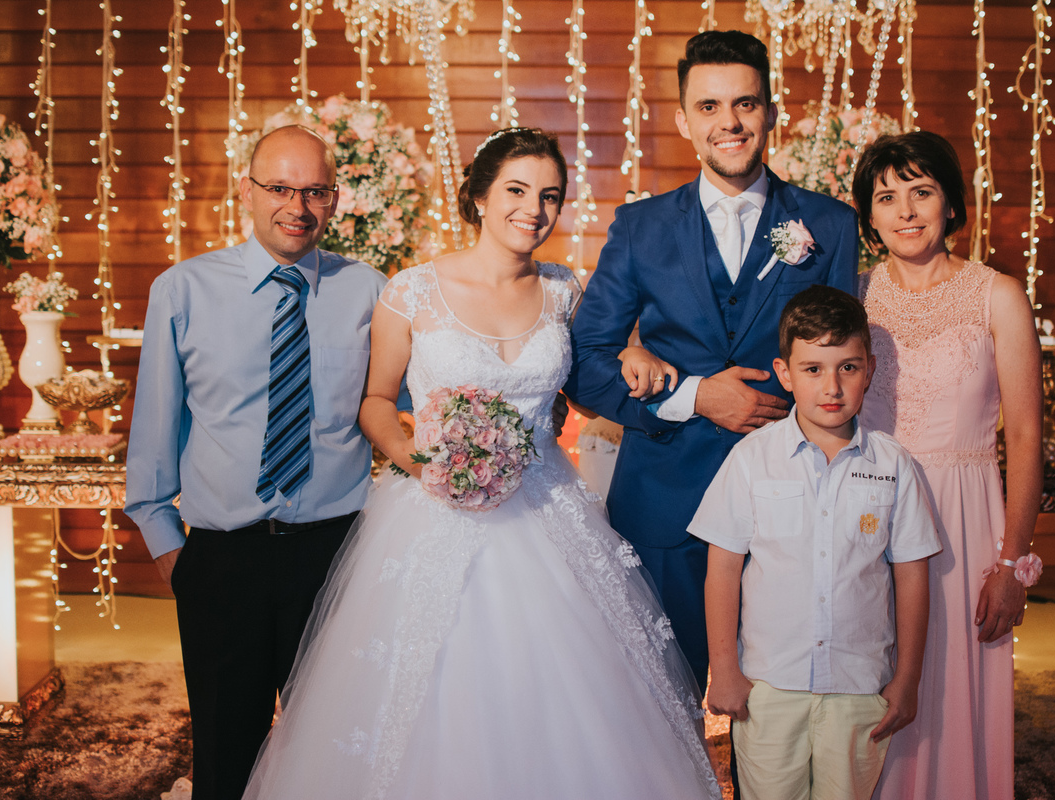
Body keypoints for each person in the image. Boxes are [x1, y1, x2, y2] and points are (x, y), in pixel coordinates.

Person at [241, 127, 721, 800]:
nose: (534, 209)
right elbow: (376, 402)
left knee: (570, 690)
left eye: (549, 196)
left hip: (547, 503)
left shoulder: (565, 290)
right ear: (479, 197)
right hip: (434, 510)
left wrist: (633, 350)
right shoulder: (411, 292)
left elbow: (598, 359)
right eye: (517, 190)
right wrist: (422, 461)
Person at [565, 29, 859, 690]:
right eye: (709, 106)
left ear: (771, 113)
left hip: (789, 505)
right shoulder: (640, 228)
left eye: (745, 104)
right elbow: (584, 361)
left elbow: (844, 365)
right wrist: (695, 395)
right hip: (664, 503)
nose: (729, 122)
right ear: (683, 121)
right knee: (662, 708)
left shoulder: (830, 225)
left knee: (783, 705)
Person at [124, 125, 387, 800]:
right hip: (223, 560)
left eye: (315, 191)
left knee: (335, 758)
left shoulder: (371, 293)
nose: (297, 207)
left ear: (335, 200)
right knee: (224, 758)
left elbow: (408, 407)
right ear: (246, 191)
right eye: (279, 188)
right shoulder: (181, 291)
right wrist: (176, 557)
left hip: (336, 557)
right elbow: (153, 436)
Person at [690, 285, 941, 800]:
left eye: (848, 367)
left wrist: (907, 679)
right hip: (769, 688)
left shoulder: (894, 465)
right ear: (784, 373)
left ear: (869, 370)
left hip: (859, 686)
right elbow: (723, 570)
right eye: (812, 369)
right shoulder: (751, 459)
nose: (832, 386)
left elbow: (912, 576)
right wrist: (726, 671)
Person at [852, 130, 1044, 800]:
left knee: (952, 694)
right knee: (868, 693)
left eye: (922, 192)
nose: (905, 211)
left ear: (951, 204)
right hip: (870, 517)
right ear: (869, 216)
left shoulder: (999, 296)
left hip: (963, 526)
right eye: (887, 197)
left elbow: (1025, 436)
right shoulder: (853, 298)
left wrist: (1012, 563)